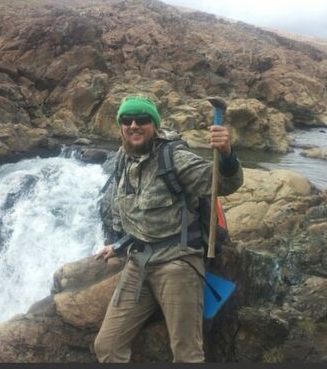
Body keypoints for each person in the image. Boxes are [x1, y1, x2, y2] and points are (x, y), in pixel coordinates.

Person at [94, 95, 243, 363]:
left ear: (154, 124)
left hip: (177, 265)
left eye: (142, 119)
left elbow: (223, 184)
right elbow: (130, 212)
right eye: (127, 120)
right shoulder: (123, 158)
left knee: (187, 355)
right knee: (107, 346)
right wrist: (118, 245)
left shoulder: (174, 157)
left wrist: (226, 154)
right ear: (120, 126)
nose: (134, 125)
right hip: (138, 263)